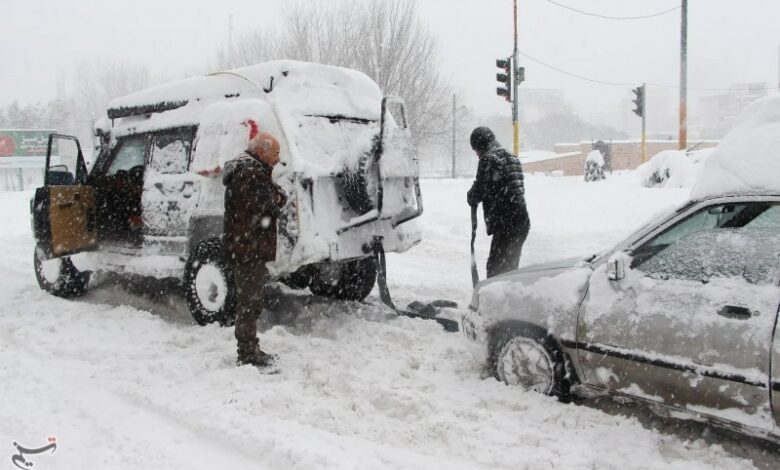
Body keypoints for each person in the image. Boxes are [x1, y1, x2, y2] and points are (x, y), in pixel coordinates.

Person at [223, 132, 286, 369]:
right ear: (261, 152)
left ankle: (249, 348)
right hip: (248, 248)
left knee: (250, 301)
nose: (278, 159)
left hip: (246, 247)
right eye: (275, 154)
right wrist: (277, 198)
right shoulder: (251, 174)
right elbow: (271, 205)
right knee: (250, 302)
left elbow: (275, 198)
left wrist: (276, 196)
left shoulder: (249, 171)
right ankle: (247, 353)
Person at [466, 126, 530, 278]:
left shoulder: (489, 158)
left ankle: (495, 300)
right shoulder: (511, 155)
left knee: (496, 271)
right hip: (521, 221)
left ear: (481, 146)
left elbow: (481, 188)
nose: (476, 154)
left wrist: (471, 196)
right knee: (510, 268)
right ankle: (510, 298)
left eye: (476, 149)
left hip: (507, 223)